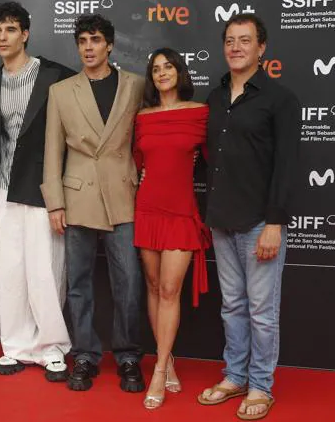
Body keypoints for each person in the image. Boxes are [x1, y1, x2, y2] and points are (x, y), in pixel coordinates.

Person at [197, 14, 300, 420]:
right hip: (222, 219)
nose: (236, 46)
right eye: (229, 40)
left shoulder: (280, 99)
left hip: (261, 221)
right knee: (232, 307)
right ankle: (235, 375)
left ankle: (260, 386)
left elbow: (287, 166)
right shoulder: (215, 97)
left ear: (262, 48)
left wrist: (274, 223)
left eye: (245, 40)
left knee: (261, 310)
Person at [41, 14, 145, 393]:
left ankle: (129, 354)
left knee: (129, 282)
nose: (88, 47)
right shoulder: (62, 91)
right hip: (77, 195)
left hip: (122, 194)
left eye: (96, 39)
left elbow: (147, 137)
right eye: (82, 40)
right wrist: (55, 203)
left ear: (110, 45)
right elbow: (52, 149)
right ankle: (84, 353)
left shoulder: (135, 85)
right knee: (79, 284)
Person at [0, 1, 74, 382]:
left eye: (10, 30)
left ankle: (53, 348)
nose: (3, 37)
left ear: (25, 33)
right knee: (12, 271)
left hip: (42, 187)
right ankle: (16, 347)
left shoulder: (54, 76)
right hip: (3, 189)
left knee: (47, 271)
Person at [133, 48, 210, 409]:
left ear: (180, 71)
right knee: (152, 286)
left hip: (181, 213)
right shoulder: (143, 117)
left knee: (168, 288)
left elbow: (219, 160)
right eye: (155, 69)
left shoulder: (199, 114)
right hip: (147, 210)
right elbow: (135, 163)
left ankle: (160, 369)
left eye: (168, 67)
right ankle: (169, 358)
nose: (162, 73)